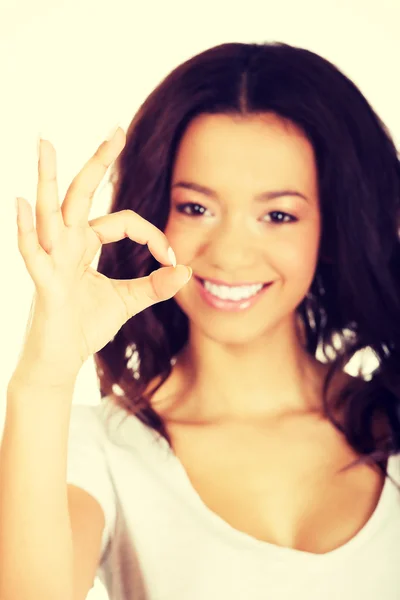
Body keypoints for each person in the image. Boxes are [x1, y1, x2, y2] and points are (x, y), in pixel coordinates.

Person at [1, 41, 400, 600]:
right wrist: (44, 376)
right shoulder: (103, 451)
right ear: (153, 211)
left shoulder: (391, 419)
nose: (230, 254)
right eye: (196, 207)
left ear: (329, 229)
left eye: (278, 214)